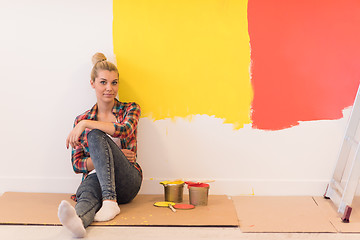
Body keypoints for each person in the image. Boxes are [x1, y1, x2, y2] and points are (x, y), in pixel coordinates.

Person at [57, 53, 142, 238]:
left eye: (114, 83)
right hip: (97, 179)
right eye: (103, 82)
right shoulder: (80, 119)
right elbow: (77, 164)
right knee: (87, 192)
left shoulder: (130, 109)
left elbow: (125, 129)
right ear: (92, 83)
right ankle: (78, 222)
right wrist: (108, 156)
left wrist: (87, 124)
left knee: (95, 134)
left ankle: (110, 201)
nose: (109, 88)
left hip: (127, 181)